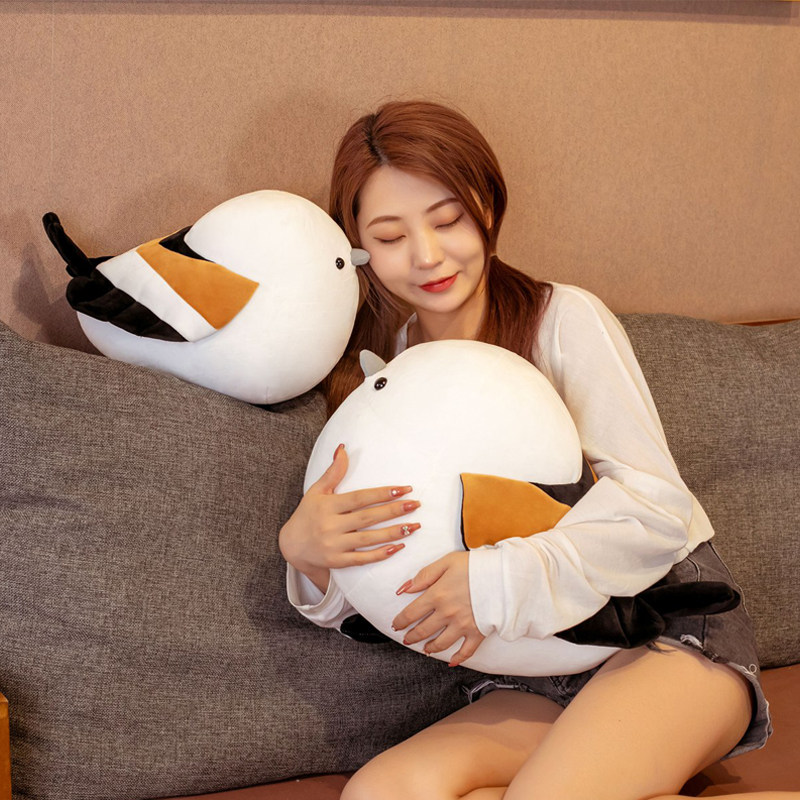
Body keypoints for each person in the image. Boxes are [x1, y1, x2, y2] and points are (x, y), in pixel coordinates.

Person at [278, 100, 786, 800]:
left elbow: (657, 508)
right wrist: (309, 557)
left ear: (487, 205)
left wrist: (492, 584)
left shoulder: (560, 320)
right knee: (380, 794)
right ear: (358, 244)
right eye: (391, 236)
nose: (427, 256)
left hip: (662, 631)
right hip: (530, 669)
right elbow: (395, 577)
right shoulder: (379, 372)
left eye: (448, 220)